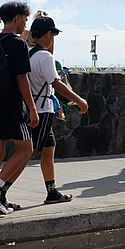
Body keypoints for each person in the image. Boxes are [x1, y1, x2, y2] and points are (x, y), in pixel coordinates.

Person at [0, 2, 39, 215]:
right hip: (10, 107)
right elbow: (22, 79)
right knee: (26, 149)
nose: (25, 24)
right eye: (25, 19)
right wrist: (32, 108)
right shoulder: (17, 44)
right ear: (18, 18)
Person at [26, 17, 89, 204]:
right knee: (27, 152)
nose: (53, 39)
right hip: (42, 110)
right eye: (52, 35)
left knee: (48, 148)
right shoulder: (44, 56)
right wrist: (79, 100)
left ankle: (52, 191)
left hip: (33, 107)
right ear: (47, 35)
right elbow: (56, 83)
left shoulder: (28, 53)